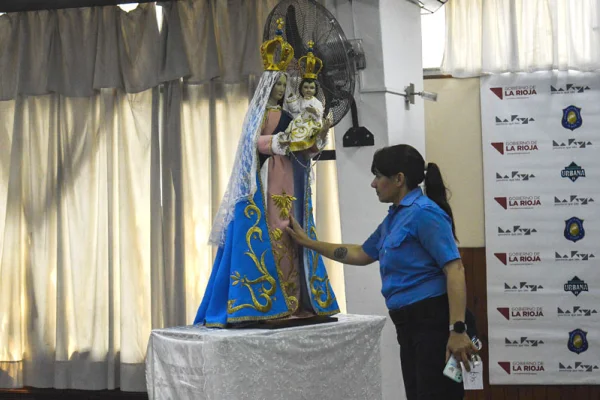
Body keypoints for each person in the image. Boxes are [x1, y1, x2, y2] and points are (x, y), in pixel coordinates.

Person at [286, 144, 478, 399]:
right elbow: (361, 253)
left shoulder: (424, 213)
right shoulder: (395, 218)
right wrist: (309, 243)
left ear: (399, 179)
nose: (373, 184)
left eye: (378, 176)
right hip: (408, 324)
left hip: (434, 321)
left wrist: (457, 330)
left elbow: (455, 269)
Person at [194, 19, 339, 328]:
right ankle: (271, 301)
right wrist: (281, 141)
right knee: (274, 233)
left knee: (293, 234)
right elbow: (253, 144)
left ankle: (296, 300)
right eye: (277, 86)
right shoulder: (260, 114)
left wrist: (317, 135)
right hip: (268, 180)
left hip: (293, 181)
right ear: (267, 87)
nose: (282, 91)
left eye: (285, 87)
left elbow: (307, 151)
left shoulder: (291, 114)